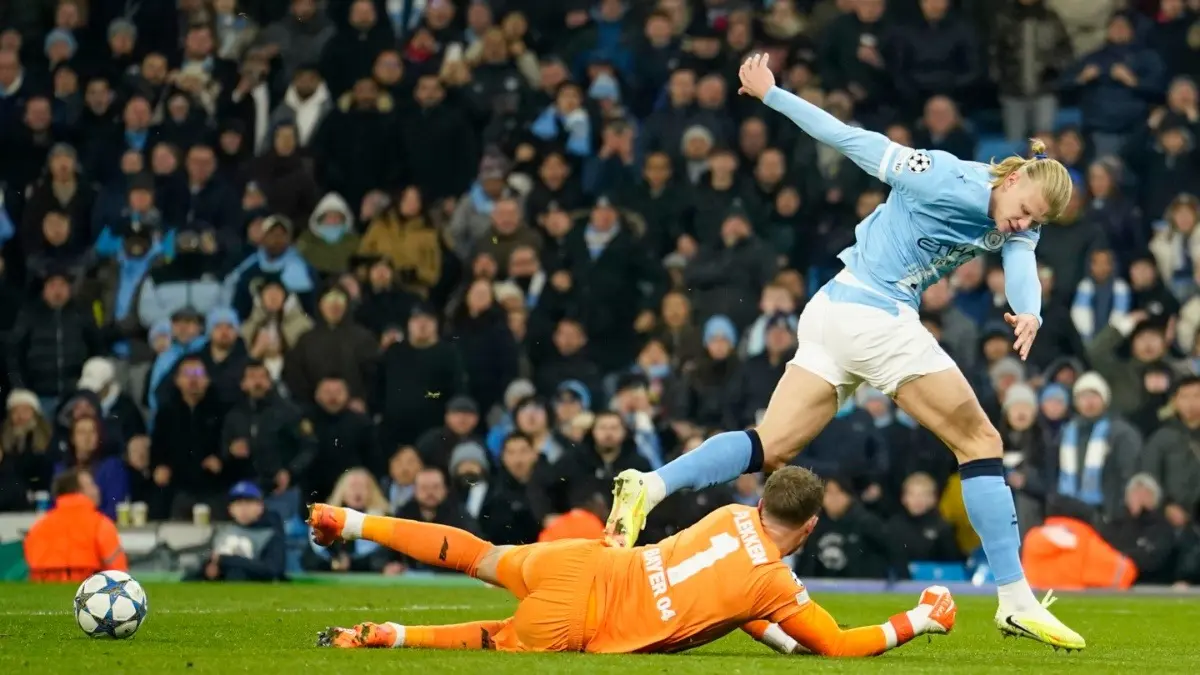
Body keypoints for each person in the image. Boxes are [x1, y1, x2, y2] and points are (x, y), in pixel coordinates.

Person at [606, 53, 1083, 650]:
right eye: (1023, 213)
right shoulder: (938, 174)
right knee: (981, 442)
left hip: (832, 311)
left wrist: (1030, 308)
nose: (1021, 226)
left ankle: (649, 486)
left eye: (1033, 222)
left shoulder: (1021, 219)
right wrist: (773, 95)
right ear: (1011, 180)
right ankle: (1014, 600)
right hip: (871, 312)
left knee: (770, 445)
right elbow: (851, 138)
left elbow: (1021, 261)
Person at [309, 466, 956, 655]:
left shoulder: (730, 515)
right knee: (491, 638)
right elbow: (840, 645)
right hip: (586, 620)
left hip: (582, 562)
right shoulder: (774, 584)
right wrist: (919, 619)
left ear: (761, 499)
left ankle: (352, 519)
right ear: (810, 525)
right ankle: (385, 637)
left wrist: (777, 640)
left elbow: (724, 596)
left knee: (478, 553)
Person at [23, 469, 128, 582]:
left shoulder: (38, 526)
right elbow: (119, 574)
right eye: (91, 485)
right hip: (88, 593)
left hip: (42, 593)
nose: (97, 489)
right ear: (78, 491)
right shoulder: (101, 525)